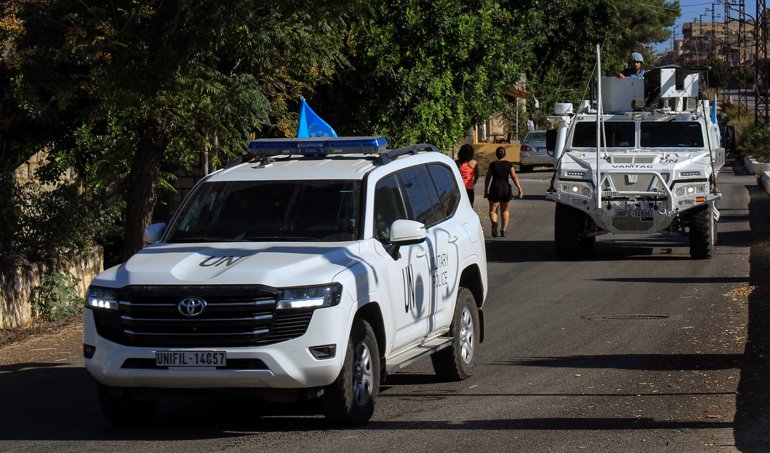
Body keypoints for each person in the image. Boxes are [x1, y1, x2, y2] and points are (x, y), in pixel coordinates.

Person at [484, 146, 524, 238]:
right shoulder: (509, 164)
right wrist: (519, 189)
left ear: (496, 154)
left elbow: (488, 178)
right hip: (506, 189)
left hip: (495, 188)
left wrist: (486, 190)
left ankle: (494, 223)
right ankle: (503, 230)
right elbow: (514, 176)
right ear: (505, 154)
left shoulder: (493, 164)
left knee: (492, 211)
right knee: (505, 210)